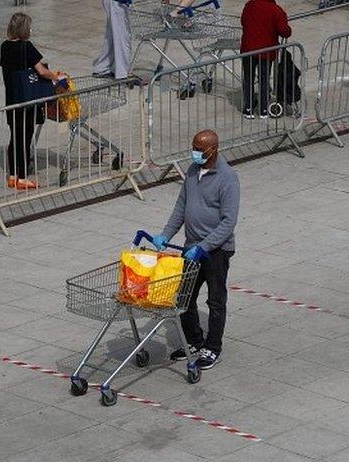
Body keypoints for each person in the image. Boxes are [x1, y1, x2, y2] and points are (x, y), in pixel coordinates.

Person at [152, 130, 240, 370]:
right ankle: (194, 341)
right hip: (191, 248)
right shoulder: (192, 171)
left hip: (215, 252)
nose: (196, 153)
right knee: (183, 297)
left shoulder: (228, 178)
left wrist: (204, 246)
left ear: (214, 149)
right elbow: (181, 207)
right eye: (194, 148)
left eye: (200, 150)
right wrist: (165, 234)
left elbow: (228, 222)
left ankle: (212, 348)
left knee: (215, 301)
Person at [0, 13, 65, 190]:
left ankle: (13, 175)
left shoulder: (4, 47)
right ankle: (21, 177)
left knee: (15, 136)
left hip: (12, 99)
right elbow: (42, 71)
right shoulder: (26, 47)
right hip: (27, 99)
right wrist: (57, 77)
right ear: (24, 29)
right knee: (25, 137)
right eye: (29, 26)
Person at [240, 0, 291, 119]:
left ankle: (248, 108)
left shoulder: (249, 5)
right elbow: (284, 31)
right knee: (264, 80)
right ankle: (263, 109)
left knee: (248, 79)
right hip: (266, 51)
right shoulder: (276, 10)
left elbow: (243, 22)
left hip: (248, 49)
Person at [93, 0, 134, 80]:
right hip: (118, 2)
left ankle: (102, 67)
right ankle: (123, 74)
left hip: (115, 2)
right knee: (122, 36)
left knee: (112, 35)